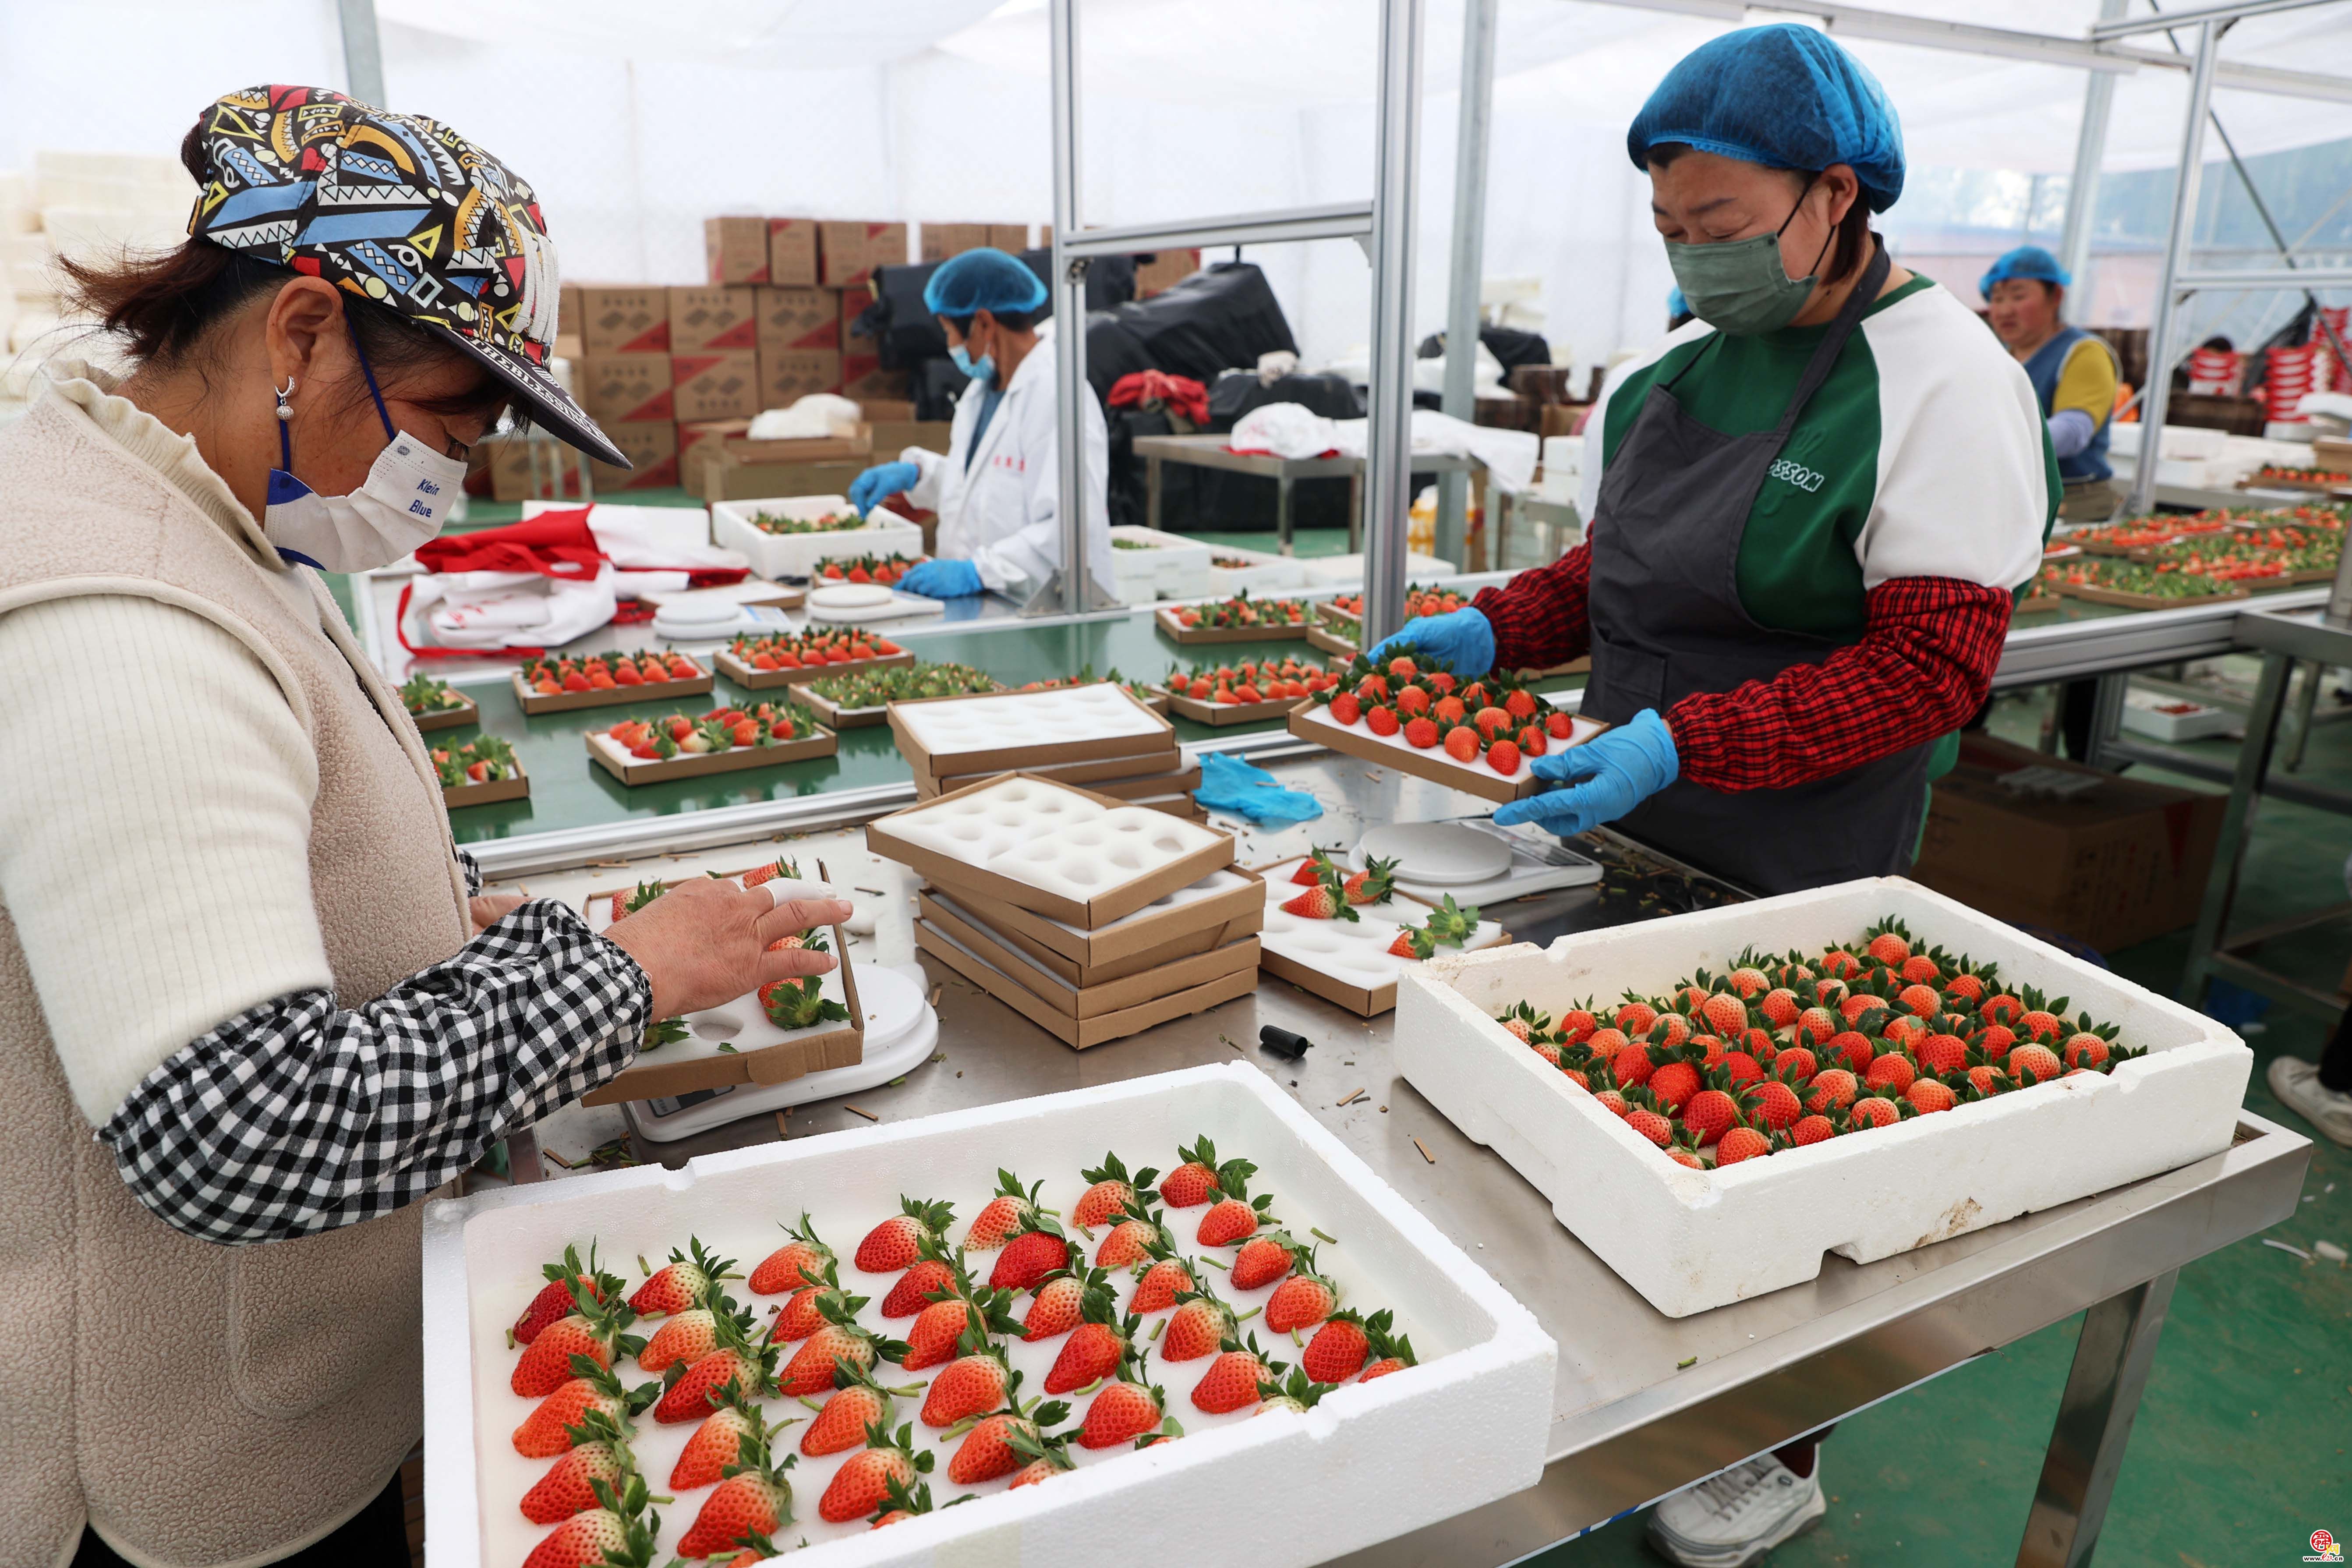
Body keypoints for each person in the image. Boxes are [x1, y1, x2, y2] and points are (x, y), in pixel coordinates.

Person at [0, 86, 849, 1568]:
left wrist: (461, 933)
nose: (450, 482)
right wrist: (623, 975)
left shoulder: (213, 518)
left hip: (276, 1397)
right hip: (176, 1483)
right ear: (305, 331)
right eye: (450, 422)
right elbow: (237, 1128)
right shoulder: (117, 617)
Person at [1368, 28, 2055, 1561]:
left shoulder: (1941, 377)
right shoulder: (1669, 364)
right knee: (1595, 1113)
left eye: (1724, 230)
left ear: (1832, 195)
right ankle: (1607, 1383)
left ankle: (1775, 1438)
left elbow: (1927, 671)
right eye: (1670, 231)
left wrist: (1685, 739)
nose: (1692, 261)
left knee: (1772, 1145)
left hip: (1801, 841)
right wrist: (1502, 623)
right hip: (1607, 813)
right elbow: (1612, 571)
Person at [845, 247, 1114, 602]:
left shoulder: (1059, 398)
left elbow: (1070, 529)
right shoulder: (981, 393)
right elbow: (986, 492)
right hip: (985, 607)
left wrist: (978, 571)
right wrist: (919, 475)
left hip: (1040, 613)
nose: (951, 345)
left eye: (949, 332)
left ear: (984, 323)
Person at [1982, 244, 2122, 521]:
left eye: (2019, 296)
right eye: (1996, 299)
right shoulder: (1998, 359)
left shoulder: (2083, 351)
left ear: (2056, 296)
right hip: (2017, 501)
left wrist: (1991, 441)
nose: (2005, 310)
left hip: (2073, 503)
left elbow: (2073, 431)